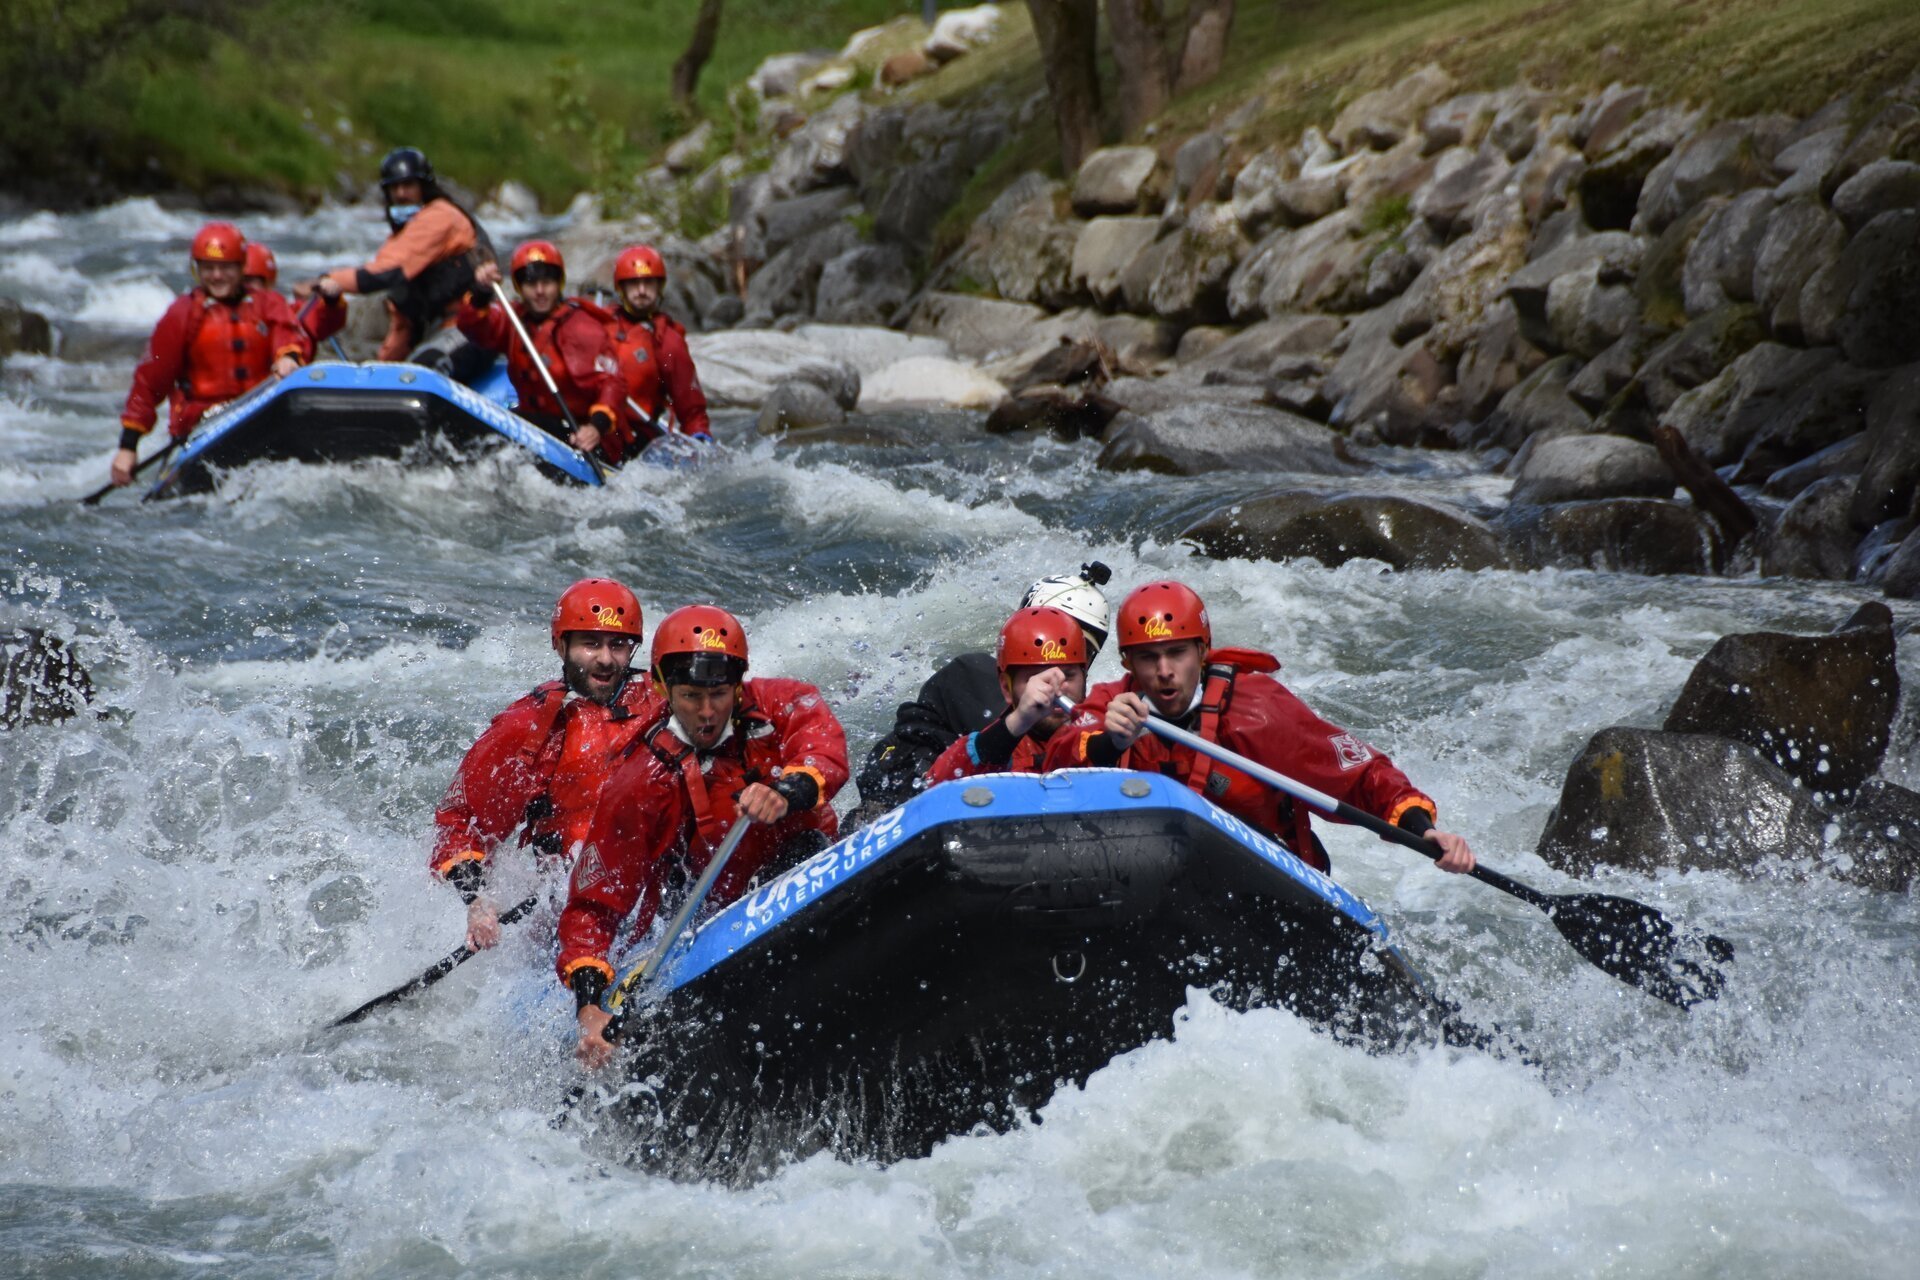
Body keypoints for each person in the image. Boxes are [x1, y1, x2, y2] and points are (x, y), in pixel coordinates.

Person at [558, 604, 849, 1068]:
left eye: (719, 694)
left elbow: (822, 742)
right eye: (691, 695)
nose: (708, 712)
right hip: (700, 909)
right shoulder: (640, 782)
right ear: (661, 687)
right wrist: (589, 1007)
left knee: (807, 849)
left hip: (799, 865)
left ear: (737, 685)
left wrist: (788, 789)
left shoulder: (779, 705)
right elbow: (595, 905)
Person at [1042, 580, 1477, 877]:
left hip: (1258, 878)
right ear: (1127, 663)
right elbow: (1053, 763)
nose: (1164, 672)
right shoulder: (1110, 705)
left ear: (1202, 650)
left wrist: (1423, 830)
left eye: (1177, 653)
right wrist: (1109, 743)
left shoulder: (1257, 710)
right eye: (1147, 658)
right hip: (1155, 878)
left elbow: (1361, 775)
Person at [430, 579, 659, 950]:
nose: (605, 659)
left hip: (661, 885)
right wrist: (476, 901)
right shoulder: (528, 729)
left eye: (618, 645)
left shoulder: (665, 700)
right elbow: (459, 824)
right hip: (579, 911)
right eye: (590, 644)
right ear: (561, 644)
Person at [853, 562, 1112, 814]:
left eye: (1069, 669)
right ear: (1007, 684)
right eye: (1037, 671)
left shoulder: (1103, 718)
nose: (1054, 681)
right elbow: (943, 782)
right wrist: (1015, 724)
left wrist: (1116, 742)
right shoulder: (972, 682)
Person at [112, 222, 307, 487]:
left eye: (225, 268)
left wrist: (288, 357)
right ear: (197, 269)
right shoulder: (181, 314)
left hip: (260, 415)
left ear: (241, 268)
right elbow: (149, 382)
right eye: (208, 268)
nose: (216, 276)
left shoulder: (268, 304)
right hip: (202, 427)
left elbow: (288, 333)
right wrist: (128, 447)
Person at [296, 146, 493, 363]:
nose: (401, 194)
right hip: (436, 332)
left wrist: (331, 280)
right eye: (394, 187)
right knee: (397, 373)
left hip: (471, 326)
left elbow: (383, 274)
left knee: (423, 372)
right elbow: (402, 320)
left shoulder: (441, 216)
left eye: (408, 185)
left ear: (424, 187)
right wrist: (386, 366)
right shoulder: (399, 240)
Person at [457, 240, 624, 456]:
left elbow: (612, 383)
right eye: (531, 284)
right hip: (534, 421)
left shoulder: (581, 327)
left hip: (577, 429)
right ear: (519, 287)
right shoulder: (514, 318)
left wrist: (595, 427)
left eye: (547, 282)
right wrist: (480, 293)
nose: (540, 291)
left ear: (559, 283)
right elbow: (473, 327)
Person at [924, 605, 1089, 784]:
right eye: (1037, 678)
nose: (1056, 688)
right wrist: (1019, 721)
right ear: (1005, 687)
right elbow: (934, 787)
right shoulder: (990, 747)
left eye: (1068, 676)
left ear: (1085, 676)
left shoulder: (1108, 725)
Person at [601, 244, 711, 460]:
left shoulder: (668, 343)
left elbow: (691, 409)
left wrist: (700, 438)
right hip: (594, 424)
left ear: (659, 287)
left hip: (635, 439)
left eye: (648, 283)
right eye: (634, 283)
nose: (642, 291)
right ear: (621, 287)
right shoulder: (598, 324)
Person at [245, 241, 347, 355]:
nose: (243, 288)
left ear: (268, 283)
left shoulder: (289, 314)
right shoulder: (222, 315)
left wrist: (331, 299)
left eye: (249, 280)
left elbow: (323, 320)